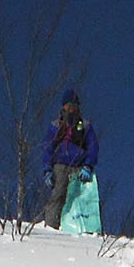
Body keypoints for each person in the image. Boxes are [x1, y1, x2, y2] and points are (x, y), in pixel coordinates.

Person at [41, 89, 99, 230]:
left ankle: (83, 227)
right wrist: (47, 168)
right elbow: (47, 147)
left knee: (81, 197)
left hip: (79, 166)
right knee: (59, 195)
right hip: (60, 165)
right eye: (68, 105)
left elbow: (93, 146)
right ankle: (52, 226)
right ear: (63, 106)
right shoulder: (56, 125)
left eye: (73, 105)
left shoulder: (85, 125)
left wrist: (88, 165)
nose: (71, 108)